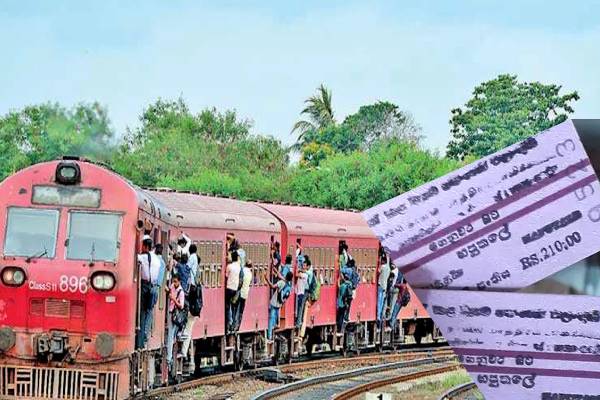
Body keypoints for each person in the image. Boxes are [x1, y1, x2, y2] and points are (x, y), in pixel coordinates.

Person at [136, 236, 161, 349]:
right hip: (154, 288)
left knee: (141, 314)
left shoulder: (142, 257)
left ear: (145, 246)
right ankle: (145, 335)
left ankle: (140, 342)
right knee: (149, 313)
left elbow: (134, 258)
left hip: (145, 286)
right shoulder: (157, 259)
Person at [181, 244, 200, 365]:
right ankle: (183, 352)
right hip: (193, 311)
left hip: (190, 310)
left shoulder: (192, 258)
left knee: (186, 330)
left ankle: (183, 352)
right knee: (188, 330)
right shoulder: (197, 287)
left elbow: (187, 267)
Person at [166, 274, 186, 370]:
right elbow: (169, 290)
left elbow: (181, 306)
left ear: (179, 282)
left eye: (176, 282)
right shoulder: (172, 287)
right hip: (170, 312)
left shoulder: (181, 292)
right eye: (173, 281)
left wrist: (173, 299)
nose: (174, 283)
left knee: (170, 335)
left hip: (175, 315)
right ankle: (170, 356)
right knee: (171, 335)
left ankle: (169, 358)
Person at [266, 270, 293, 340]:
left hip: (274, 302)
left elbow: (272, 286)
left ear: (286, 276)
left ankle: (270, 336)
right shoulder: (290, 286)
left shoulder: (281, 282)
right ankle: (275, 331)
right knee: (276, 320)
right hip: (280, 304)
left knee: (271, 319)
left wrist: (267, 279)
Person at [233, 260, 253, 331]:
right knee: (241, 311)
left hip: (238, 293)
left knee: (235, 309)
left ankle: (233, 324)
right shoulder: (250, 274)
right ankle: (238, 326)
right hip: (244, 294)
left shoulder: (242, 270)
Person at [225, 250, 241, 333]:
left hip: (229, 288)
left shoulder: (229, 266)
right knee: (233, 305)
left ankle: (230, 322)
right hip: (235, 289)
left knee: (228, 306)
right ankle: (233, 323)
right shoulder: (239, 267)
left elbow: (226, 276)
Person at [377, 253, 391, 327]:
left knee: (379, 302)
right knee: (382, 302)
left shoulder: (382, 267)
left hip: (380, 285)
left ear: (383, 261)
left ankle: (378, 316)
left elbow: (378, 271)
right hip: (385, 287)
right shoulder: (388, 268)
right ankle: (381, 315)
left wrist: (378, 261)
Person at [295, 261, 308, 328]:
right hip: (298, 292)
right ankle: (298, 321)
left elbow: (296, 275)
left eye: (304, 265)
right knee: (298, 308)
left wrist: (297, 269)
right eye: (303, 265)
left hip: (301, 293)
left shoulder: (305, 275)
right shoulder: (303, 273)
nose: (303, 266)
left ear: (307, 267)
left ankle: (298, 323)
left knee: (300, 308)